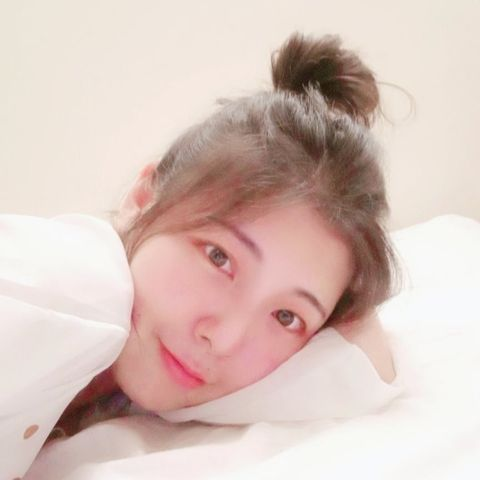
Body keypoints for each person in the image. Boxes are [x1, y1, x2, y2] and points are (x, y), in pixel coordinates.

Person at [49, 31, 397, 440]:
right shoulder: (37, 296)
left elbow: (369, 371)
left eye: (286, 317)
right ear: (143, 198)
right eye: (219, 257)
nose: (224, 339)